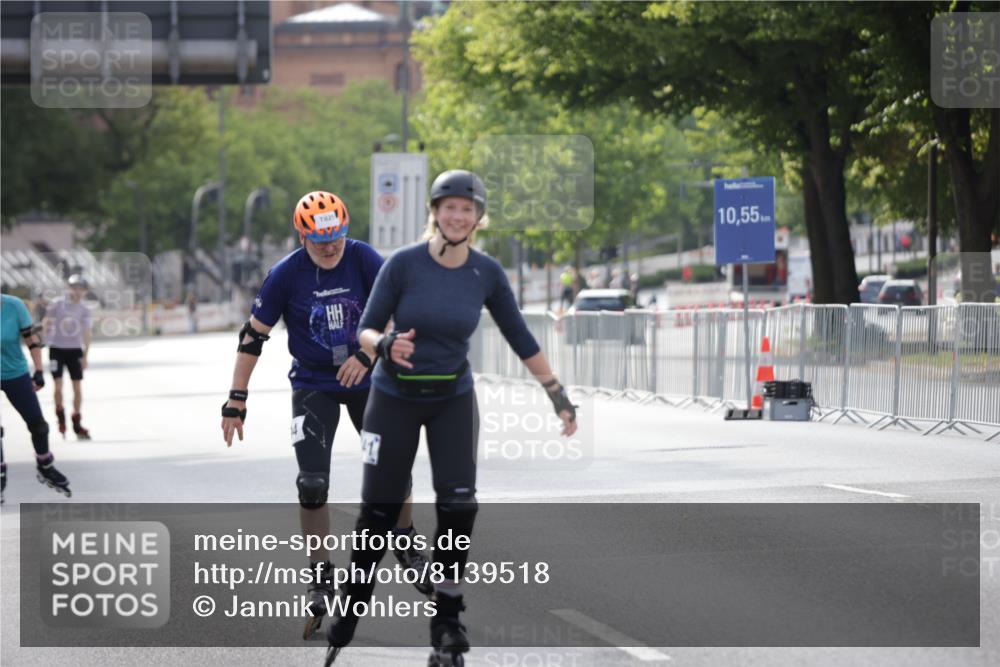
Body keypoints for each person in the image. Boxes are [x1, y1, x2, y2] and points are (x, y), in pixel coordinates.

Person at [323, 170, 578, 667]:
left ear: (478, 217)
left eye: (467, 209)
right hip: (393, 399)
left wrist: (556, 392)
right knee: (378, 514)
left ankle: (447, 620)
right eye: (449, 208)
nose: (458, 216)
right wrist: (385, 345)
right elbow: (366, 330)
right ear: (435, 212)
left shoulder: (486, 273)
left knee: (459, 507)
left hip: (452, 399)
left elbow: (520, 337)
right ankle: (349, 611)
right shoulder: (404, 265)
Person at [219, 191, 431, 640]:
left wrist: (367, 355)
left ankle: (405, 538)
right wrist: (237, 398)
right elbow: (252, 336)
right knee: (312, 484)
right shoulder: (285, 274)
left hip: (368, 378)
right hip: (313, 383)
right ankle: (319, 575)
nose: (331, 248)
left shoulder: (363, 258)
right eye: (320, 242)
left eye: (337, 238)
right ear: (303, 237)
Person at [1, 293, 71, 500]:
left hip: (15, 372)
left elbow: (31, 339)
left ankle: (45, 465)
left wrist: (39, 371)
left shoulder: (14, 306)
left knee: (39, 426)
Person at [44, 274, 93, 440]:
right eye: (75, 288)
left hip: (74, 350)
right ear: (69, 288)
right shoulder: (57, 304)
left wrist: (85, 355)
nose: (77, 291)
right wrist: (44, 337)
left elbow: (87, 332)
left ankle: (77, 421)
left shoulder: (85, 309)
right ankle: (60, 415)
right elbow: (47, 321)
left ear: (85, 291)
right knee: (58, 385)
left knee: (77, 387)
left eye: (81, 289)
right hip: (57, 349)